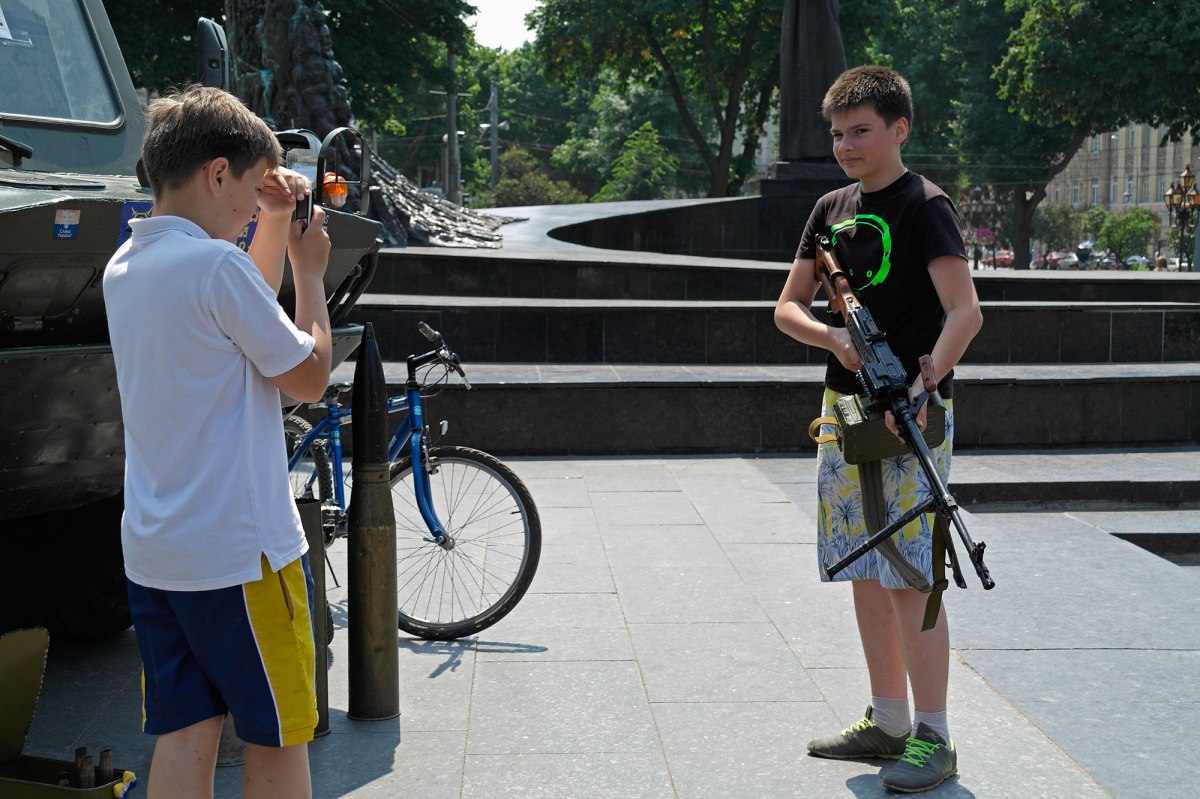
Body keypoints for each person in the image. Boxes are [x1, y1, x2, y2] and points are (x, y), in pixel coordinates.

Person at [102, 85, 332, 799]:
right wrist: (311, 274)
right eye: (248, 192)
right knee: (278, 733)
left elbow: (238, 311)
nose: (247, 212)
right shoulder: (214, 268)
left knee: (187, 731)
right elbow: (308, 375)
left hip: (157, 549)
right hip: (242, 554)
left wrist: (271, 220)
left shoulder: (127, 266)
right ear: (216, 173)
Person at [774, 66, 982, 793]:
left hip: (913, 408)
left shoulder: (926, 204)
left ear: (900, 129)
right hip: (846, 408)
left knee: (912, 576)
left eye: (861, 130)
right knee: (865, 567)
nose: (846, 145)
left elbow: (965, 311)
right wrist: (834, 341)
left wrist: (926, 381)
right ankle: (888, 720)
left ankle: (934, 735)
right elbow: (787, 307)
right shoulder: (829, 206)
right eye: (837, 133)